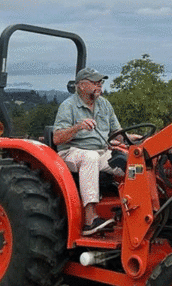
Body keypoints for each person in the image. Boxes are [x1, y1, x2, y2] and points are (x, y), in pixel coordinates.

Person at [52, 67, 125, 235]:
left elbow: (116, 133)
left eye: (100, 82)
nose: (99, 86)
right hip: (72, 152)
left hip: (101, 150)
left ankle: (130, 212)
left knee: (133, 163)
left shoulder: (105, 104)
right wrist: (78, 127)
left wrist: (132, 138)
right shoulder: (68, 106)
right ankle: (90, 219)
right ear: (81, 86)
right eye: (95, 82)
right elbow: (57, 138)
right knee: (90, 157)